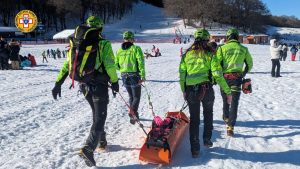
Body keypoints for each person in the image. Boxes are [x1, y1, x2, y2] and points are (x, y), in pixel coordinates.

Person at [51, 16, 119, 167]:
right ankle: (88, 149)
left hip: (83, 85)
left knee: (97, 114)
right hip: (99, 86)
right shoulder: (103, 43)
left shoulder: (76, 43)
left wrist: (58, 83)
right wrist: (115, 82)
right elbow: (110, 65)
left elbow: (67, 65)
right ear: (100, 29)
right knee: (99, 118)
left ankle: (102, 141)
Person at [179, 28, 232, 158]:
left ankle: (195, 149)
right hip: (206, 89)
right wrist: (227, 91)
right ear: (207, 40)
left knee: (194, 119)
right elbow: (218, 75)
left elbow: (182, 74)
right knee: (208, 113)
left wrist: (184, 90)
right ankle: (207, 139)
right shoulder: (210, 54)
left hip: (191, 90)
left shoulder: (187, 55)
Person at [215, 28, 253, 136]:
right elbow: (250, 64)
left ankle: (226, 117)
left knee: (226, 99)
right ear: (237, 37)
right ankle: (230, 127)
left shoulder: (222, 48)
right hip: (237, 78)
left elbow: (217, 64)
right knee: (234, 102)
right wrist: (243, 74)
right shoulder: (244, 49)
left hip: (225, 78)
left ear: (227, 37)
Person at [115, 31, 145, 124]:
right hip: (134, 75)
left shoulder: (119, 50)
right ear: (132, 39)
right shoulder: (136, 48)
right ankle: (132, 113)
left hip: (124, 75)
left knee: (131, 96)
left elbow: (116, 64)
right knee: (136, 97)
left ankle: (134, 115)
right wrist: (143, 75)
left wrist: (123, 69)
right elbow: (140, 62)